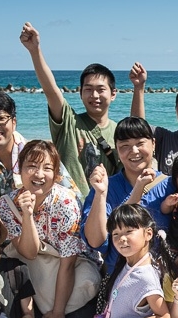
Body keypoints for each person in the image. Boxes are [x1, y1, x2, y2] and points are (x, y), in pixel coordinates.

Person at [0, 140, 98, 318]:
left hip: (66, 264)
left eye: (47, 168)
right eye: (32, 166)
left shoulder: (66, 203)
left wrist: (58, 311)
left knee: (82, 286)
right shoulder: (7, 204)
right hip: (33, 263)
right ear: (20, 170)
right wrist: (26, 215)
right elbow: (29, 252)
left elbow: (68, 263)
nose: (39, 174)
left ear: (57, 174)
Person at [20, 22, 117, 197]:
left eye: (101, 89)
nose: (94, 95)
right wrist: (35, 51)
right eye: (88, 89)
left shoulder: (119, 132)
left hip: (102, 210)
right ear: (80, 93)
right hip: (65, 207)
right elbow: (51, 90)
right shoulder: (69, 122)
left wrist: (139, 88)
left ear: (113, 94)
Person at [82, 117, 173, 257]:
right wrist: (100, 194)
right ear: (117, 149)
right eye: (125, 145)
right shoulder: (106, 187)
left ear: (153, 144)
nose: (134, 151)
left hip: (162, 273)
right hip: (120, 275)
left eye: (140, 143)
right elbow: (95, 242)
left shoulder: (170, 185)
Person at [93, 204, 171, 318]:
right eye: (116, 234)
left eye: (128, 231)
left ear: (148, 234)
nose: (121, 238)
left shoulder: (146, 277)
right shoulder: (127, 263)